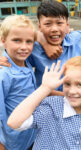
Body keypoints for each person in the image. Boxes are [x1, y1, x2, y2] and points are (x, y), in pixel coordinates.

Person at [0, 0, 81, 94]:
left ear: (67, 25)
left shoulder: (77, 38)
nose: (54, 29)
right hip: (46, 104)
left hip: (77, 101)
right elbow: (16, 48)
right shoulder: (33, 47)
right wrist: (43, 42)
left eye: (59, 23)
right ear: (39, 26)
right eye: (48, 24)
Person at [7, 56, 81, 150]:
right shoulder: (52, 107)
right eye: (67, 84)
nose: (72, 91)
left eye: (79, 85)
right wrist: (45, 88)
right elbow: (14, 122)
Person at [0, 15, 37, 150]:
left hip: (30, 135)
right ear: (3, 40)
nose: (24, 47)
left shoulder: (25, 63)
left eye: (29, 41)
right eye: (16, 40)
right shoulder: (4, 73)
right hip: (13, 142)